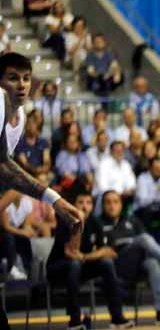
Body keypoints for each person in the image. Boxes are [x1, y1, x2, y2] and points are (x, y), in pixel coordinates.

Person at [0, 53, 85, 330]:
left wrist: (54, 201)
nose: (21, 85)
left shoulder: (19, 115)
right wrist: (55, 200)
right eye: (12, 78)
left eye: (26, 78)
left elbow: (5, 167)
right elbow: (4, 168)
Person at [47, 193, 133, 329]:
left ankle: (117, 317)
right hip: (58, 268)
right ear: (73, 205)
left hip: (80, 267)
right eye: (81, 202)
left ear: (93, 206)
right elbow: (70, 252)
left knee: (106, 263)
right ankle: (75, 320)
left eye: (89, 203)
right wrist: (79, 223)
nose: (85, 206)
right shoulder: (65, 221)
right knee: (74, 264)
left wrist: (85, 257)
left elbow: (107, 251)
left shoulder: (94, 222)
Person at [99, 190, 160, 325]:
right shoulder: (98, 223)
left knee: (152, 263)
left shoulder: (132, 221)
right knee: (144, 239)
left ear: (121, 205)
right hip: (116, 266)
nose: (112, 206)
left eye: (115, 202)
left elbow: (150, 245)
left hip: (138, 264)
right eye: (108, 202)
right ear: (103, 205)